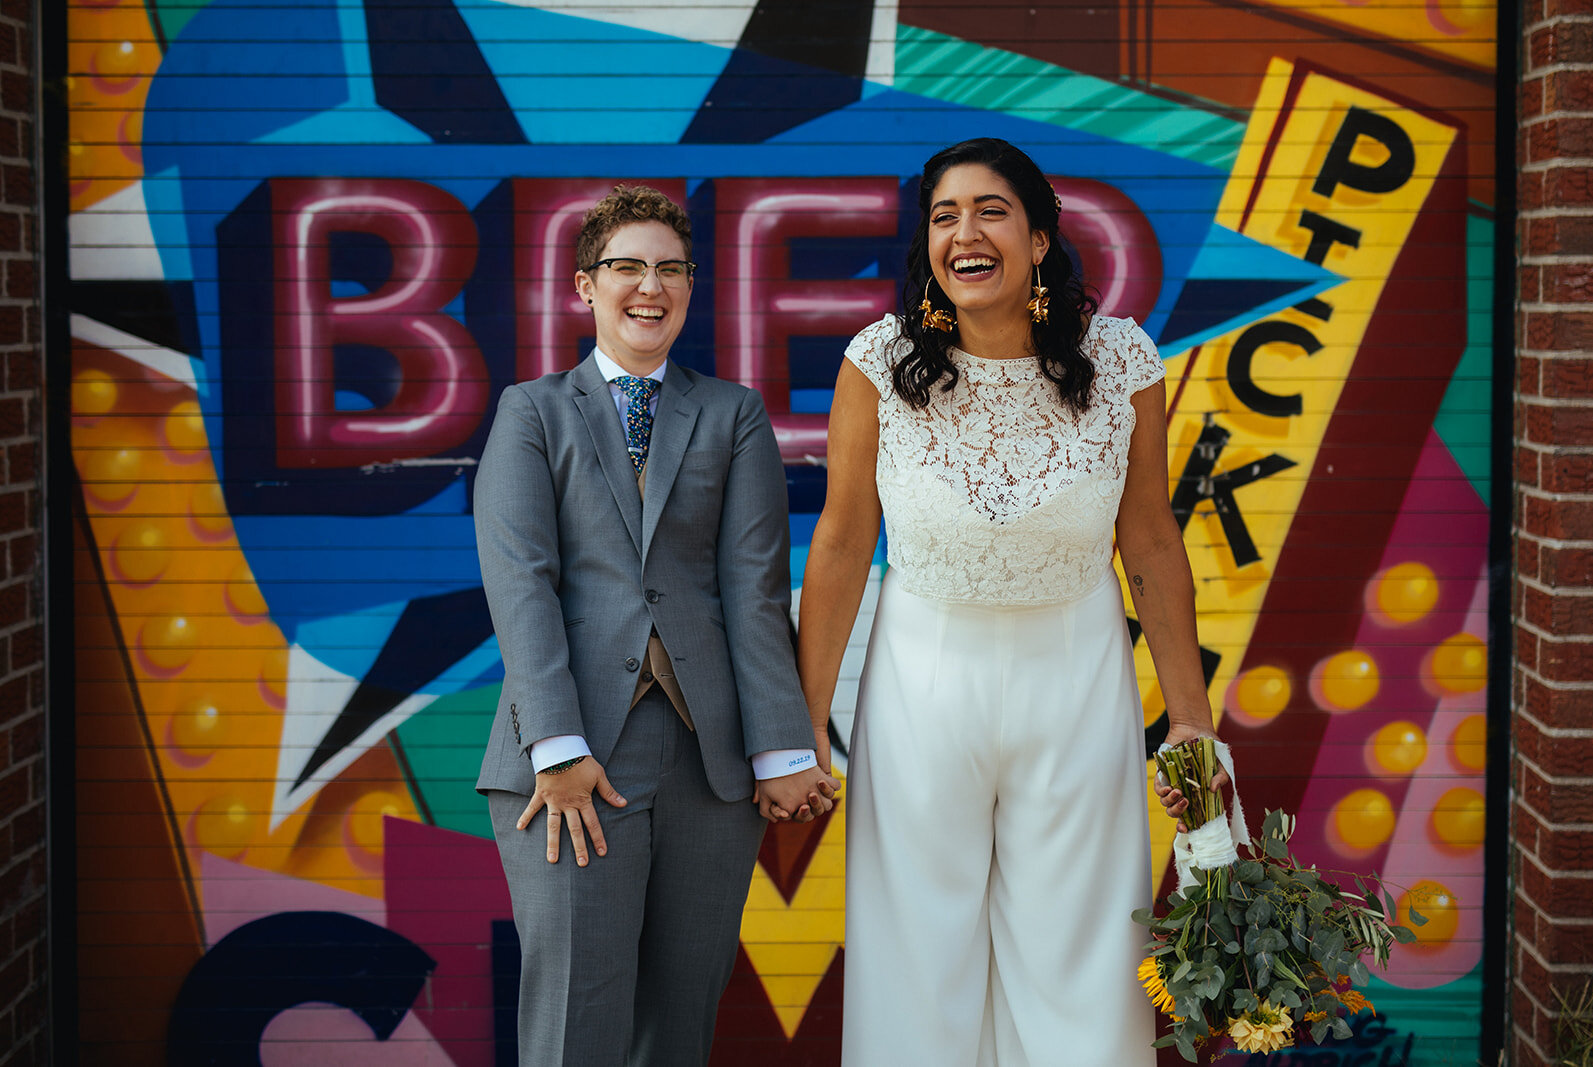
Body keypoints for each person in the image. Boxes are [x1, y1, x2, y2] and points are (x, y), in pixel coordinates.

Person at [796, 139, 1228, 1065]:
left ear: (1039, 238)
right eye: (945, 215)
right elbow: (838, 542)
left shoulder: (1123, 363)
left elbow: (1149, 539)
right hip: (919, 683)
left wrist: (1191, 721)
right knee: (916, 955)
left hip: (1076, 679)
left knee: (1084, 952)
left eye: (990, 211)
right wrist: (801, 724)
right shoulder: (878, 361)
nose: (965, 233)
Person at [474, 184, 838, 1067]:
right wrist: (554, 750)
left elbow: (755, 592)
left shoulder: (733, 413)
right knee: (575, 1024)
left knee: (680, 1028)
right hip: (572, 762)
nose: (651, 286)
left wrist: (786, 753)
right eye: (627, 266)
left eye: (671, 268)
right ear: (583, 286)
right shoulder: (533, 410)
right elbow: (522, 584)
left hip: (710, 769)